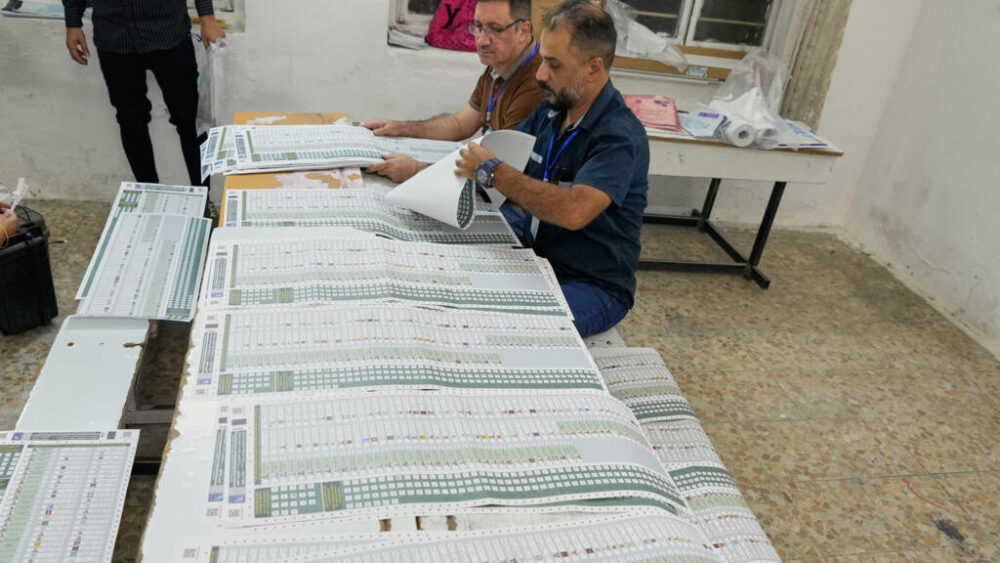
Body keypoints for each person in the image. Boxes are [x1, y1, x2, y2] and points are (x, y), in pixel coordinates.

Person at [455, 0, 649, 338]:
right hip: (538, 248)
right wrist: (422, 172)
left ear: (593, 68)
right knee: (454, 263)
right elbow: (499, 154)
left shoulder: (619, 135)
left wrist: (492, 171)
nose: (541, 75)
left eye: (554, 65)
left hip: (591, 282)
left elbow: (575, 210)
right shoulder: (553, 110)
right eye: (543, 59)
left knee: (509, 330)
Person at [364, 0, 544, 183]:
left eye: (495, 29)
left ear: (523, 31)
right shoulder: (500, 62)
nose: (481, 40)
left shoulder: (536, 81)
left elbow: (500, 171)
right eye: (478, 27)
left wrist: (416, 171)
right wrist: (400, 128)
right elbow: (460, 124)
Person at [63, 0, 226, 188]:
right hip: (114, 37)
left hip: (168, 32)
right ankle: (148, 194)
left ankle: (202, 197)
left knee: (191, 120)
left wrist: (207, 18)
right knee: (130, 120)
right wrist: (72, 23)